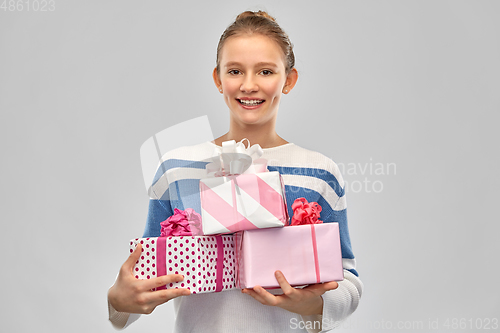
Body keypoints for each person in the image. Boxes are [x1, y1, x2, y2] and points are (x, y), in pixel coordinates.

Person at [108, 10, 363, 332]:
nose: (249, 85)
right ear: (218, 79)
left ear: (289, 80)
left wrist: (314, 304)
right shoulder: (177, 168)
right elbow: (144, 278)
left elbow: (348, 278)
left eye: (266, 71)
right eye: (235, 71)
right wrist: (118, 301)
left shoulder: (318, 171)